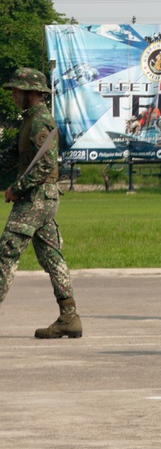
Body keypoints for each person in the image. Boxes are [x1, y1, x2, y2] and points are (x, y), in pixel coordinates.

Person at [0, 68, 80, 338]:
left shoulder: (40, 122)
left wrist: (15, 189)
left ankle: (69, 317)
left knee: (7, 251)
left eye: (16, 90)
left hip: (35, 198)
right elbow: (13, 155)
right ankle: (69, 317)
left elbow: (45, 165)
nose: (12, 95)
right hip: (43, 198)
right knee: (51, 256)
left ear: (31, 93)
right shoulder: (30, 120)